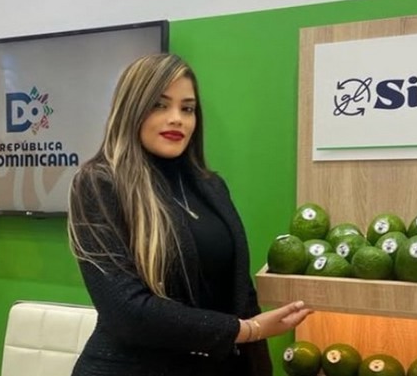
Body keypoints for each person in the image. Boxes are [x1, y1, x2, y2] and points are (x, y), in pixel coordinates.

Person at [67, 53, 313, 376]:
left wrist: (254, 352)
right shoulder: (99, 184)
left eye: (187, 108)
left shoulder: (211, 186)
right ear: (131, 109)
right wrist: (247, 330)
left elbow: (240, 293)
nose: (177, 119)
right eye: (159, 105)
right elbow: (127, 311)